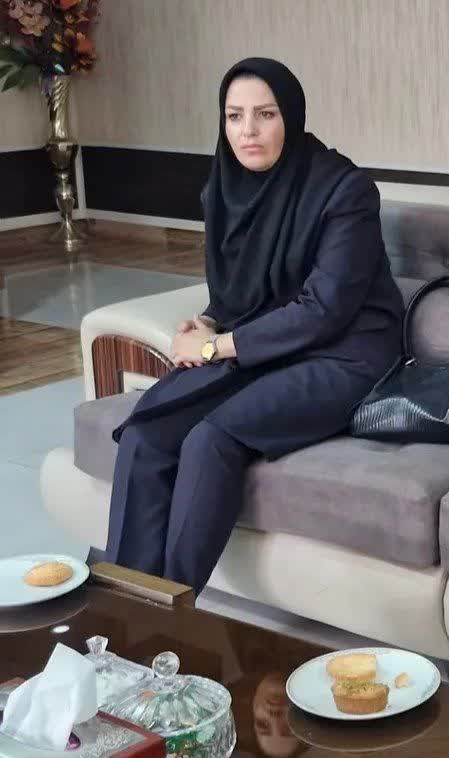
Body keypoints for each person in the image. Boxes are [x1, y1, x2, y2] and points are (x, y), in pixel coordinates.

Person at [105, 58, 404, 594]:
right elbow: (242, 289)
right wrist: (209, 319)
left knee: (210, 438)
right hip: (264, 345)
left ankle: (170, 621)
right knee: (147, 436)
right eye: (234, 116)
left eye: (265, 114)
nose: (248, 131)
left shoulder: (346, 190)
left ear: (291, 116)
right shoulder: (224, 189)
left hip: (345, 355)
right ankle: (127, 611)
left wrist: (216, 346)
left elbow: (324, 309)